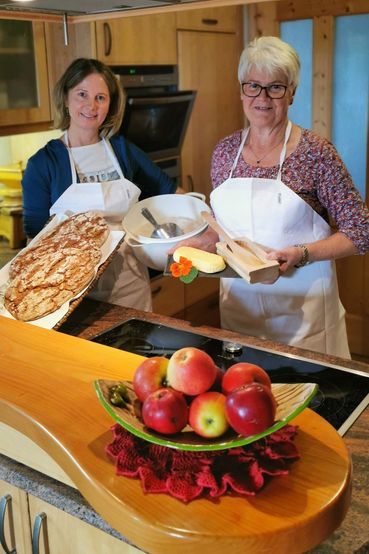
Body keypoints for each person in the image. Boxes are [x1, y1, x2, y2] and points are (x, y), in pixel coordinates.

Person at [180, 36, 369, 358]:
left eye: (276, 87)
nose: (262, 97)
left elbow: (361, 232)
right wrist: (199, 244)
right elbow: (222, 228)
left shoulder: (317, 153)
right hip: (241, 311)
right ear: (241, 91)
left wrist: (302, 253)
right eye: (253, 85)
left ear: (292, 93)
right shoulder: (225, 152)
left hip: (306, 319)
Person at [22, 58, 177, 310]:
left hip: (130, 285)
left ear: (109, 105)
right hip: (70, 295)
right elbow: (34, 238)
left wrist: (201, 224)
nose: (91, 106)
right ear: (65, 98)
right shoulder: (43, 163)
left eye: (100, 98)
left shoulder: (123, 151)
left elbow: (169, 191)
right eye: (82, 94)